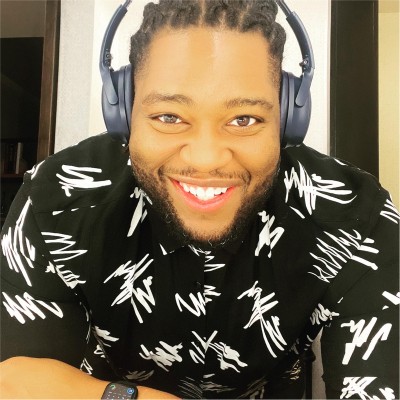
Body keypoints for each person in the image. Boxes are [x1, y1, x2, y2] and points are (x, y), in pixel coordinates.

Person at [1, 0, 399, 399]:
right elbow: (15, 379)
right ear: (122, 111)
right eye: (169, 117)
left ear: (287, 119)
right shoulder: (57, 198)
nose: (206, 159)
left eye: (244, 119)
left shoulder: (356, 218)